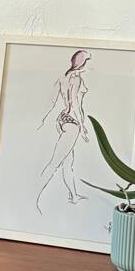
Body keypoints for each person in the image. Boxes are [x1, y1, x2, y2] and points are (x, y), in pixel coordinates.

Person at [36, 49, 91, 210]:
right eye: (87, 61)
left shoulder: (64, 76)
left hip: (62, 119)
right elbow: (75, 103)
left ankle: (73, 195)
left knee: (67, 162)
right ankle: (34, 193)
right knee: (56, 162)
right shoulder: (76, 78)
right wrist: (82, 126)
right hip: (72, 121)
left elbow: (54, 100)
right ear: (82, 62)